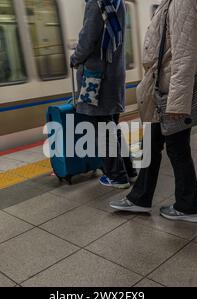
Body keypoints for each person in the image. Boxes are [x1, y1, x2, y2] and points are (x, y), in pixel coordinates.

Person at [109, 0, 197, 223]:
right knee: (153, 144)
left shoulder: (182, 2)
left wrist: (178, 103)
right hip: (162, 89)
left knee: (176, 148)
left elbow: (185, 55)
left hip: (170, 93)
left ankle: (189, 206)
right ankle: (141, 198)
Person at [70, 0, 137, 189]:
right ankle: (128, 170)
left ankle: (117, 176)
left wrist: (75, 58)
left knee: (101, 130)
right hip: (114, 73)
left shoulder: (95, 3)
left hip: (97, 77)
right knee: (111, 127)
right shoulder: (118, 3)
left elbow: (87, 39)